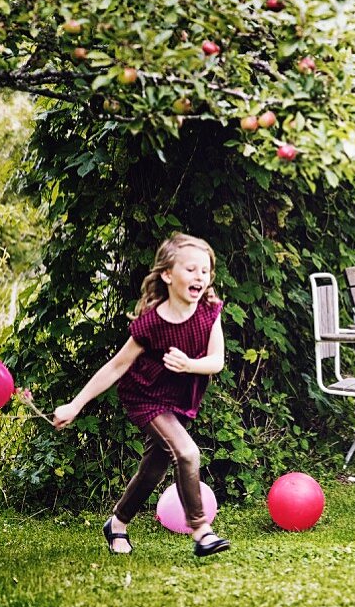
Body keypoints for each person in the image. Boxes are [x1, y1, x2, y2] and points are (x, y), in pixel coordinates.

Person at [52, 233, 231, 557]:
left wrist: (190, 364)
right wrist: (76, 405)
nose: (199, 277)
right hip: (146, 398)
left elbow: (216, 361)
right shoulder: (151, 323)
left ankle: (117, 524)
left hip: (179, 400)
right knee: (187, 453)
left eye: (205, 271)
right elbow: (116, 366)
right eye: (191, 270)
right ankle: (202, 531)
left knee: (153, 470)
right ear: (167, 275)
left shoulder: (209, 310)